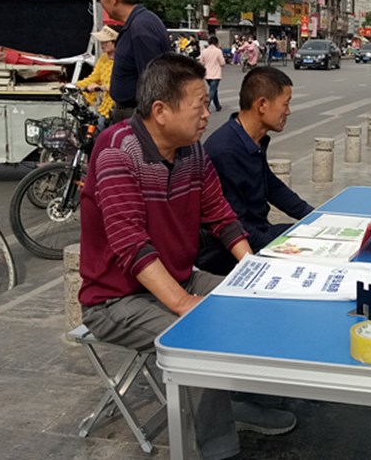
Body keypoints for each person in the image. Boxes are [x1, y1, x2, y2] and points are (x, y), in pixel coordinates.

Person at [79, 54, 297, 459]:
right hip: (116, 299)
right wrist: (182, 303)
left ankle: (239, 400)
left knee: (259, 298)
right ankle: (218, 450)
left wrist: (251, 267)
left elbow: (220, 216)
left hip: (177, 277)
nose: (206, 114)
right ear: (161, 111)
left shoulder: (191, 153)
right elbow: (131, 247)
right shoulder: (116, 153)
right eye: (198, 104)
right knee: (199, 336)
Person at [198, 67, 315, 274]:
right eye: (285, 104)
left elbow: (273, 187)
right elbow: (233, 224)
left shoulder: (252, 140)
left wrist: (314, 216)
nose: (288, 111)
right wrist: (279, 247)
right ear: (262, 104)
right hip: (229, 248)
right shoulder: (225, 151)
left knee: (313, 236)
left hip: (257, 231)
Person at [101, 0, 171, 120]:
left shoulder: (141, 27)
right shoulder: (138, 22)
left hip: (138, 116)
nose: (102, 3)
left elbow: (153, 81)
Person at [76, 24, 119, 120]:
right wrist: (75, 85)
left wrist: (101, 87)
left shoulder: (123, 61)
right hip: (104, 107)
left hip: (117, 108)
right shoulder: (103, 58)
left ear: (115, 42)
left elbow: (121, 85)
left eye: (105, 42)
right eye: (101, 41)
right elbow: (94, 77)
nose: (102, 44)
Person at [199, 36, 226, 112]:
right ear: (216, 43)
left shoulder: (204, 51)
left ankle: (218, 106)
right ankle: (206, 105)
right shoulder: (218, 51)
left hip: (207, 74)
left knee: (214, 90)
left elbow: (201, 62)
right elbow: (222, 63)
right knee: (212, 90)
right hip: (215, 74)